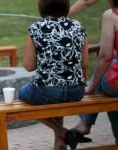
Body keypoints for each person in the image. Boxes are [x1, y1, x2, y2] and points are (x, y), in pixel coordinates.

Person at [17, 0, 89, 149]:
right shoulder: (79, 27)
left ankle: (61, 131)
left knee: (22, 94)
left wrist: (46, 61)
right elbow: (84, 63)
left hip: (47, 91)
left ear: (42, 7)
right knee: (56, 96)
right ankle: (60, 143)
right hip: (76, 91)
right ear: (66, 6)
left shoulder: (36, 28)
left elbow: (29, 66)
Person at [72, 0, 118, 145]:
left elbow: (104, 56)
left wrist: (91, 87)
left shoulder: (111, 15)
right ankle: (84, 123)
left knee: (108, 80)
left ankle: (85, 122)